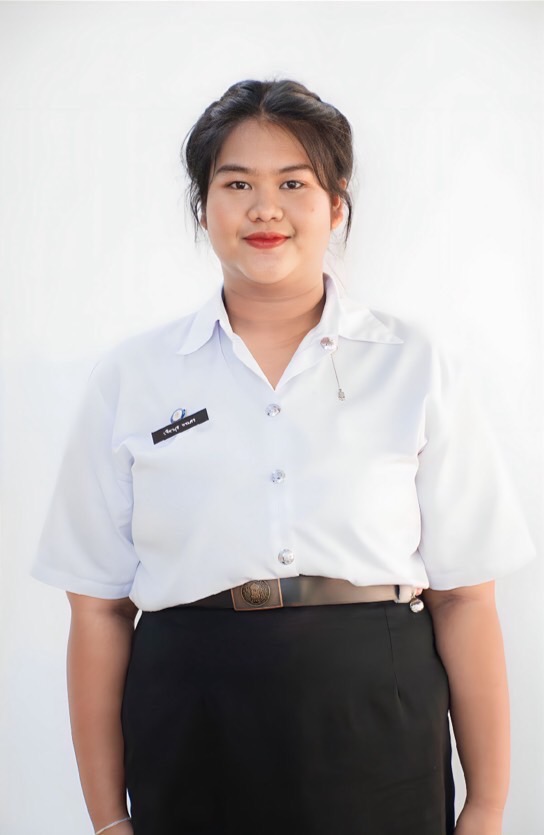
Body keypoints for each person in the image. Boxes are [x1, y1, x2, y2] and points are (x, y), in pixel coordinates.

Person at [31, 79, 536, 835]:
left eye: (293, 184)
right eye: (237, 184)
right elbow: (98, 608)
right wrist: (107, 820)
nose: (265, 208)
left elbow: (466, 597)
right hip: (192, 717)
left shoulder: (413, 364)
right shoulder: (133, 378)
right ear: (203, 208)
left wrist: (487, 809)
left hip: (380, 717)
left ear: (335, 205)